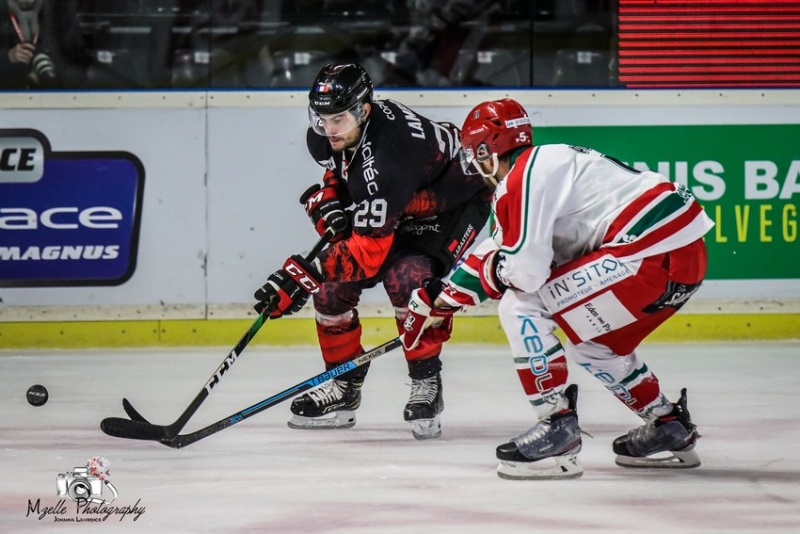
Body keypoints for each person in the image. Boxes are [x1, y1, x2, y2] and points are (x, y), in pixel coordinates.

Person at [401, 98, 714, 478]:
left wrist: (452, 299)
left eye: (473, 154)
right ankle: (669, 425)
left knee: (522, 306)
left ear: (485, 149)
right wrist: (443, 297)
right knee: (596, 346)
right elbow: (504, 250)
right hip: (682, 258)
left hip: (644, 254)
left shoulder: (521, 179)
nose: (475, 165)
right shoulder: (545, 166)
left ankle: (556, 425)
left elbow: (524, 273)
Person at [253, 63, 491, 439]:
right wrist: (329, 197)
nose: (329, 129)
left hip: (452, 204)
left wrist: (301, 276)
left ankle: (426, 381)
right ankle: (344, 385)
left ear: (364, 110)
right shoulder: (339, 133)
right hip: (401, 198)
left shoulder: (389, 158)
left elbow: (367, 255)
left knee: (407, 276)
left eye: (339, 119)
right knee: (332, 288)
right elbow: (343, 170)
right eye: (322, 118)